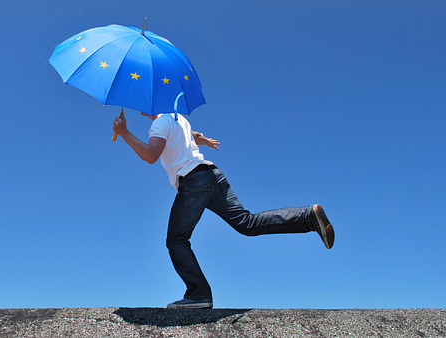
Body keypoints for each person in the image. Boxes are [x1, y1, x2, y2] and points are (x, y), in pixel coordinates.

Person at [112, 112, 335, 309]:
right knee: (246, 223)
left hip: (194, 181)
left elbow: (151, 155)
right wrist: (204, 141)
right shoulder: (179, 119)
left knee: (176, 240)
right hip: (213, 175)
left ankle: (198, 293)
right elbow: (193, 136)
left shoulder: (159, 122)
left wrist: (123, 132)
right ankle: (307, 216)